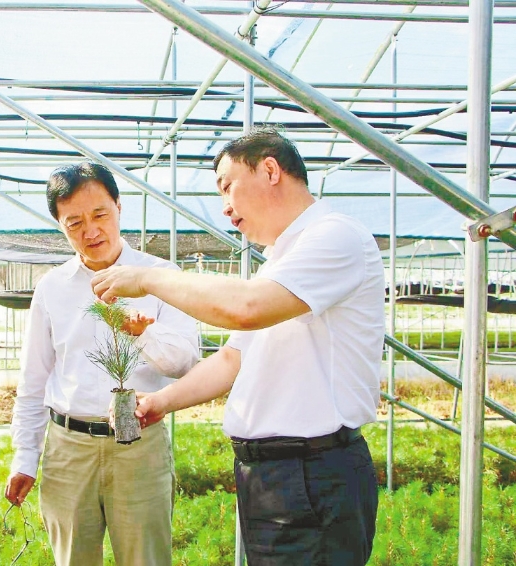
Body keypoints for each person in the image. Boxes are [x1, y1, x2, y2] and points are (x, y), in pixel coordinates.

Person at [91, 127, 382, 565]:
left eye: (227, 186)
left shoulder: (335, 236)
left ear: (270, 170)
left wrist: (148, 278)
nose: (224, 206)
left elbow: (245, 308)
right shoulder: (282, 261)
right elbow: (232, 358)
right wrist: (159, 402)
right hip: (274, 476)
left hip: (313, 473)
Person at [4, 162, 200, 566]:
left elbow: (184, 362)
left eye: (99, 215)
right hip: (69, 449)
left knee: (146, 558)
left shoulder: (161, 276)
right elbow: (34, 379)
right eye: (74, 223)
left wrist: (140, 333)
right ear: (59, 225)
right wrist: (25, 457)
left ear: (119, 207)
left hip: (139, 445)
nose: (90, 231)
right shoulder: (52, 287)